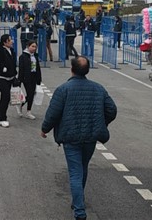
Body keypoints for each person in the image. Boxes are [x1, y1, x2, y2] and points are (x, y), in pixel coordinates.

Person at [41, 56, 117, 220]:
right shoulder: (98, 88)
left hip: (71, 137)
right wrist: (101, 123)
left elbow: (53, 113)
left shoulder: (64, 89)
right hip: (90, 137)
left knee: (75, 172)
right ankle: (78, 200)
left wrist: (44, 129)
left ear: (72, 69)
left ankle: (79, 211)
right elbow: (112, 110)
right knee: (83, 167)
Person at [0, 34, 17, 128]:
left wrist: (14, 74)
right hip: (0, 77)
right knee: (5, 95)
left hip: (10, 77)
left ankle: (1, 116)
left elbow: (13, 64)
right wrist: (3, 69)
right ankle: (1, 118)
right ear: (5, 42)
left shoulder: (12, 51)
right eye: (10, 40)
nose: (12, 41)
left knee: (5, 97)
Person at [17, 40, 42, 120]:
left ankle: (24, 107)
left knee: (32, 94)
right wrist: (19, 81)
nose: (34, 48)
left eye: (35, 47)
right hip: (26, 77)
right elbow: (21, 69)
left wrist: (39, 78)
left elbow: (38, 68)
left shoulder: (35, 56)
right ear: (28, 46)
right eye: (32, 46)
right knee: (30, 93)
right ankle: (28, 111)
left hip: (34, 76)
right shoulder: (23, 57)